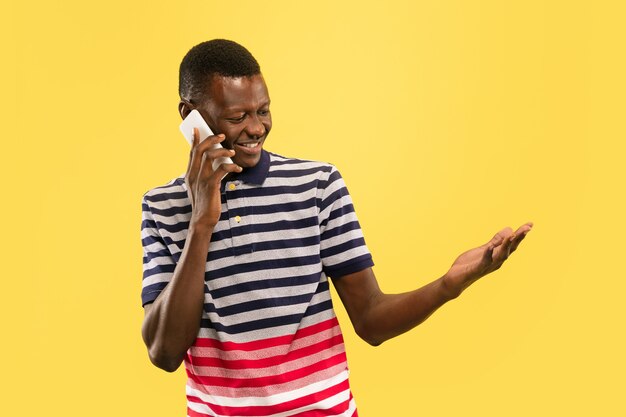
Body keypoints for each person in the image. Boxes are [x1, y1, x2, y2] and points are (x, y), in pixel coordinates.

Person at [140, 39, 533, 417]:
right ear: (189, 116)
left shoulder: (317, 185)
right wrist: (201, 222)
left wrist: (450, 283)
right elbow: (164, 352)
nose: (257, 128)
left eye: (263, 110)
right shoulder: (161, 207)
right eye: (238, 116)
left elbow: (372, 321)